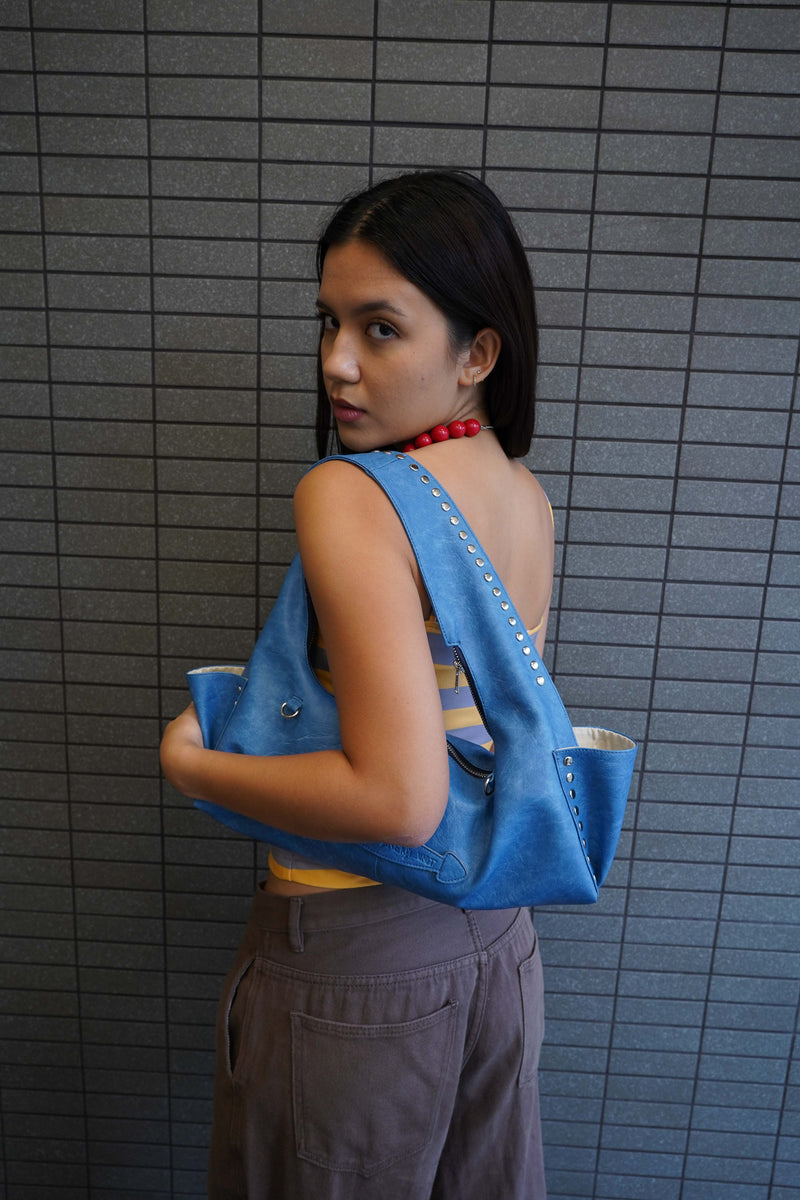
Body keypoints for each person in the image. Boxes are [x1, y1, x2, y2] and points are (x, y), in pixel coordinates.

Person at [160, 169, 553, 1199]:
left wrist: (195, 768)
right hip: (496, 942)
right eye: (329, 322)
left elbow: (397, 797)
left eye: (380, 329)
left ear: (476, 353)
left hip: (354, 962)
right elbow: (464, 735)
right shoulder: (522, 494)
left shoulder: (348, 495)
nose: (336, 362)